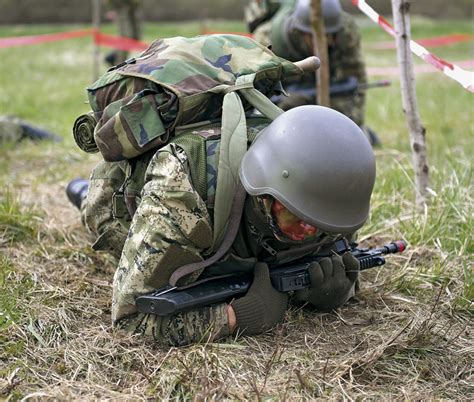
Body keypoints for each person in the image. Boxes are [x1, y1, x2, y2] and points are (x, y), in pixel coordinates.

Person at [67, 103, 376, 346]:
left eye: (321, 226)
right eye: (294, 218)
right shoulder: (182, 195)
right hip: (122, 201)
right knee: (99, 214)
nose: (308, 233)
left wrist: (337, 289)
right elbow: (131, 320)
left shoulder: (331, 194)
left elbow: (344, 258)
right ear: (264, 194)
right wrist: (235, 317)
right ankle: (79, 190)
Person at [247, 0, 368, 131]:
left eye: (330, 35)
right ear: (301, 32)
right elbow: (252, 95)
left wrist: (355, 126)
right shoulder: (267, 40)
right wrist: (282, 108)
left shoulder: (345, 30)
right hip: (281, 100)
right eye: (321, 36)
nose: (329, 41)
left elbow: (357, 79)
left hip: (329, 92)